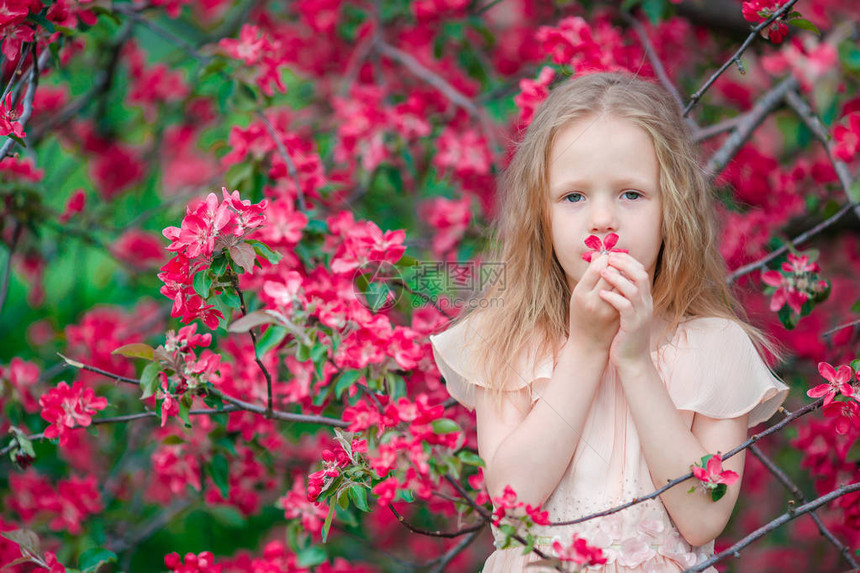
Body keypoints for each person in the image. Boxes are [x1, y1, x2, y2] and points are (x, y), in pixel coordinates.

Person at [428, 72, 790, 572]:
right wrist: (586, 348)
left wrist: (637, 361)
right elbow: (513, 500)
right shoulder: (507, 339)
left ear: (673, 209)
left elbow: (703, 516)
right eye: (573, 197)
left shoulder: (717, 349)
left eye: (631, 194)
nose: (602, 218)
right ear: (542, 216)